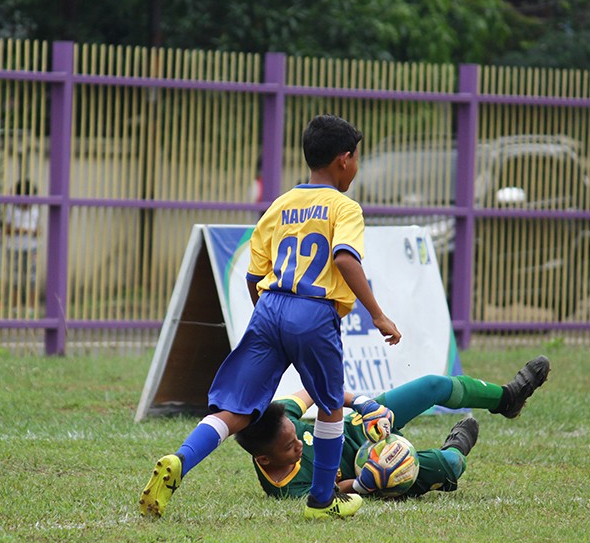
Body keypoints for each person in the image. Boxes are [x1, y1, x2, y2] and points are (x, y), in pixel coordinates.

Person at [139, 114, 402, 520]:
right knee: (331, 405)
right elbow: (345, 259)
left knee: (238, 409)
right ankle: (322, 501)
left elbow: (253, 274)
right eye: (357, 158)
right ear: (344, 160)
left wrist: (269, 317)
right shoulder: (345, 207)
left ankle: (180, 461)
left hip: (270, 307)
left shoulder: (280, 204)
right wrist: (379, 315)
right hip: (313, 311)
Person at [234, 356, 550, 500]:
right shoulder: (288, 489)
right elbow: (336, 492)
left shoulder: (278, 417)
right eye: (290, 447)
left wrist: (364, 405)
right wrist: (366, 483)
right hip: (374, 465)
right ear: (264, 459)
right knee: (451, 465)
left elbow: (320, 391)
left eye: (295, 435)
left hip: (360, 426)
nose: (298, 444)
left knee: (433, 385)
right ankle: (455, 446)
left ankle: (506, 398)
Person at [2, 179, 41, 315]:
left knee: (32, 278)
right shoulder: (11, 208)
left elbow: (39, 229)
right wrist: (21, 230)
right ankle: (14, 307)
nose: (28, 203)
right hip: (14, 248)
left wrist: (35, 232)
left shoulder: (36, 209)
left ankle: (31, 308)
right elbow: (6, 229)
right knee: (15, 278)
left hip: (32, 248)